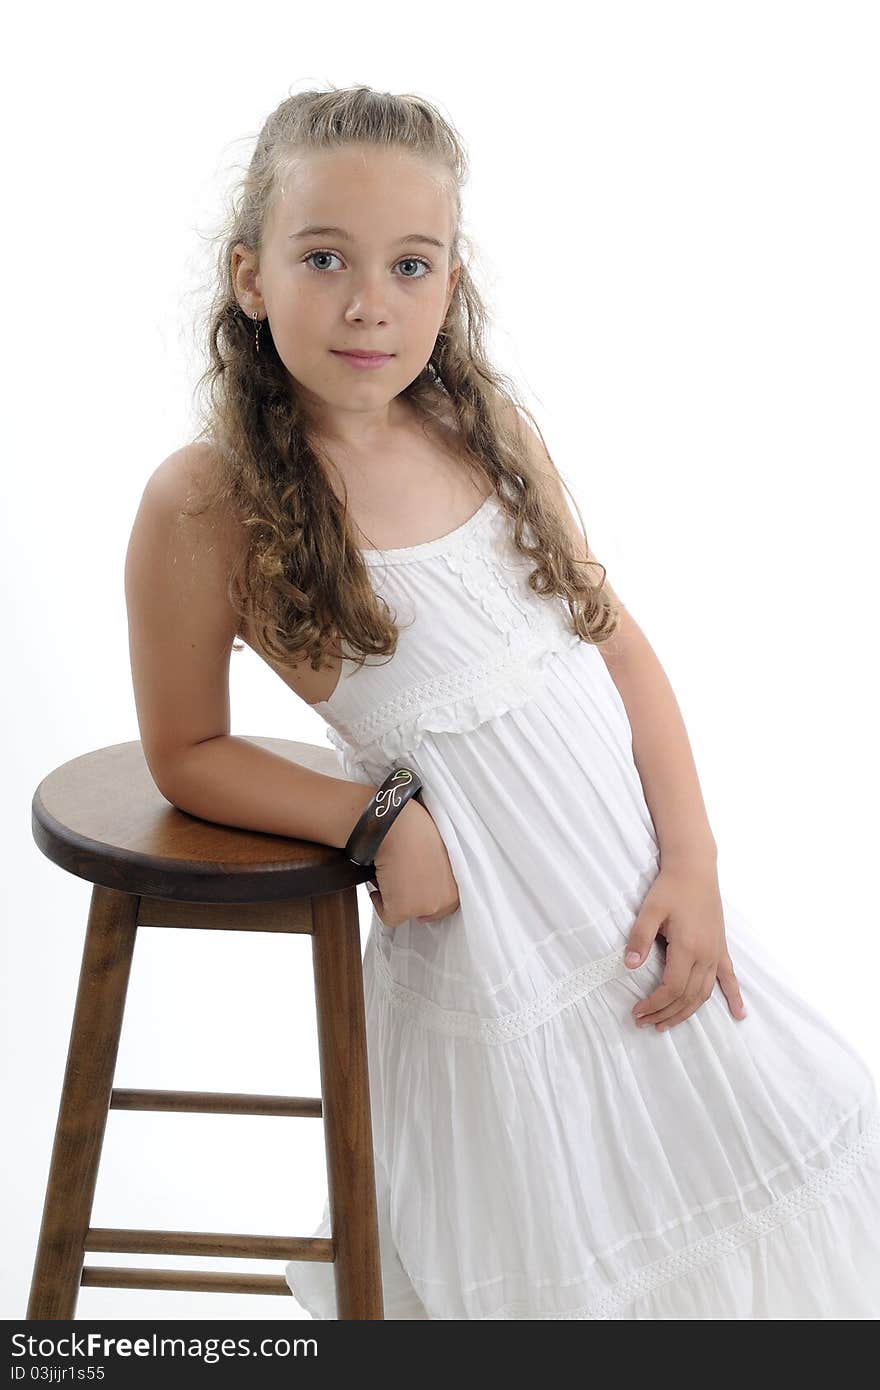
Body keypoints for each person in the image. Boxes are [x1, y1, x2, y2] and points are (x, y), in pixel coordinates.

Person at [125, 84, 880, 1319]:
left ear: (450, 278)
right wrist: (375, 819)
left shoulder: (483, 429)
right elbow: (187, 748)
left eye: (409, 265)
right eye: (326, 258)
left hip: (632, 909)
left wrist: (690, 863)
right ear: (251, 275)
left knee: (776, 1142)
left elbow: (616, 643)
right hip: (492, 960)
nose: (370, 300)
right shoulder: (206, 503)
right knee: (545, 1248)